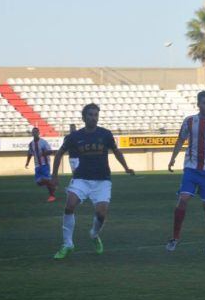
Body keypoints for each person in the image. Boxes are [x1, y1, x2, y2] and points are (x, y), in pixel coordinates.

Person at [50, 103, 135, 259]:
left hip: (102, 180)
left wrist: (126, 167)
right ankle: (67, 244)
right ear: (84, 117)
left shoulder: (105, 134)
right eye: (90, 115)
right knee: (69, 206)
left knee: (101, 214)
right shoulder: (74, 136)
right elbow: (59, 154)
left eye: (96, 115)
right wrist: (54, 175)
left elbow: (116, 151)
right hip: (81, 178)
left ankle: (94, 234)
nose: (93, 118)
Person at [166, 90, 205, 255]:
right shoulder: (189, 122)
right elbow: (180, 140)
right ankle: (174, 238)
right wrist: (173, 158)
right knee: (183, 200)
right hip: (191, 168)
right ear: (198, 104)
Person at [24, 127, 57, 202]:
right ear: (32, 134)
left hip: (45, 164)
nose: (35, 133)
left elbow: (50, 151)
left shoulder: (43, 142)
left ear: (38, 133)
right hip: (37, 165)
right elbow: (30, 153)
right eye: (33, 132)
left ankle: (52, 196)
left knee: (46, 179)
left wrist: (43, 153)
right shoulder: (31, 144)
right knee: (38, 182)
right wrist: (27, 162)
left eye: (36, 132)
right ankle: (52, 184)